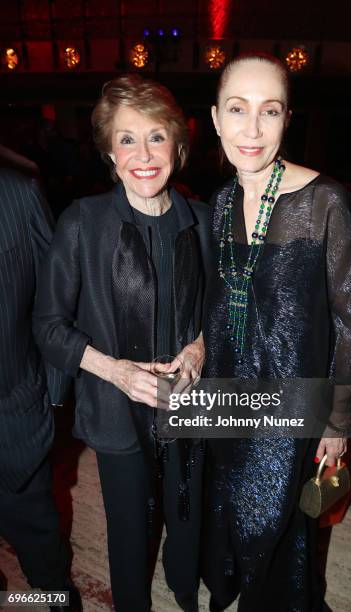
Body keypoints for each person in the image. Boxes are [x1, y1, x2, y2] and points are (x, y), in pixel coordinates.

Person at [33, 75, 209, 612]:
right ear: (109, 150)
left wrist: (199, 345)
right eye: (127, 139)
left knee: (187, 512)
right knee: (129, 528)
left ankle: (185, 588)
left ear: (178, 146)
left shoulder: (202, 220)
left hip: (189, 400)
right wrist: (117, 371)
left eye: (156, 136)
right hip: (114, 408)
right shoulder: (83, 223)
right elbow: (48, 327)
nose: (144, 154)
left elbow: (218, 308)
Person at [201, 53, 351, 611]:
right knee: (240, 523)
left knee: (267, 523)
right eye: (237, 110)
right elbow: (221, 303)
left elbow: (350, 325)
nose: (252, 129)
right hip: (228, 399)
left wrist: (337, 421)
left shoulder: (325, 202)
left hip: (291, 408)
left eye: (268, 111)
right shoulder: (220, 205)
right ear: (216, 119)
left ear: (287, 118)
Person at [0, 168, 80, 612]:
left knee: (45, 563)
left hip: (12, 423)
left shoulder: (17, 193)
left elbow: (55, 302)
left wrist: (50, 395)